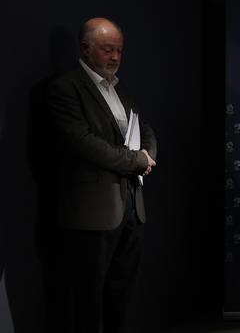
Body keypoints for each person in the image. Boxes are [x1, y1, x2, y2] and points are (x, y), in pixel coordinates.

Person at [46, 17, 157, 332]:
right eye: (109, 50)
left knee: (120, 294)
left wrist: (148, 155)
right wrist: (136, 161)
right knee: (87, 299)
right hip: (93, 214)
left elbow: (145, 130)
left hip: (132, 208)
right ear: (85, 48)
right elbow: (84, 144)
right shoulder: (65, 89)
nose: (116, 58)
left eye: (120, 50)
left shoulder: (121, 90)